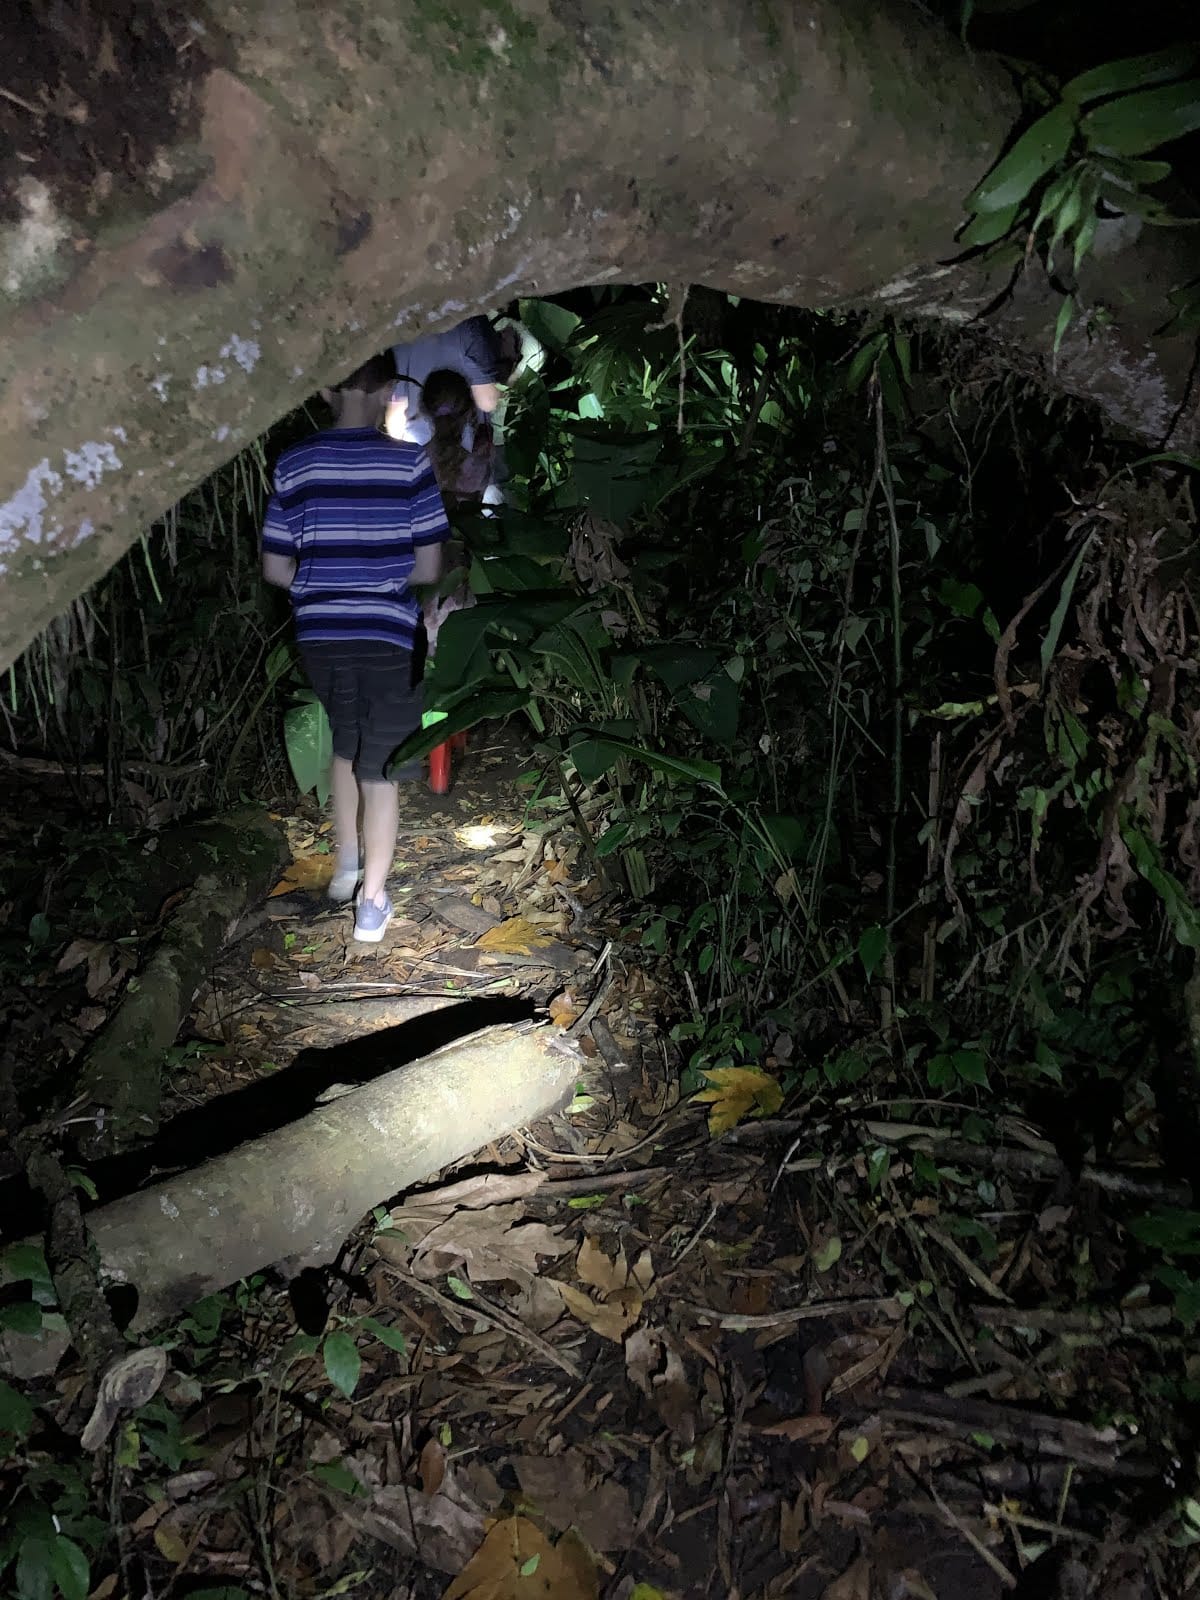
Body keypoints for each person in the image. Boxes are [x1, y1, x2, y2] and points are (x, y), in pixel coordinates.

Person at [261, 352, 448, 943]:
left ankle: (346, 867)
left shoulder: (293, 464)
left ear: (322, 386)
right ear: (390, 389)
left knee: (345, 744)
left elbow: (274, 567)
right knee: (382, 767)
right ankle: (371, 903)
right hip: (388, 632)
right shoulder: (409, 462)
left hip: (320, 634)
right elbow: (428, 564)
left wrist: (324, 587)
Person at [387, 313, 509, 447]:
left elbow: (395, 420)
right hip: (466, 444)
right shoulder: (471, 319)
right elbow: (488, 402)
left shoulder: (398, 320)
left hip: (417, 447)